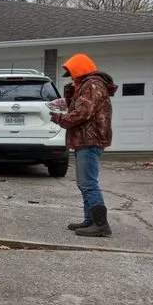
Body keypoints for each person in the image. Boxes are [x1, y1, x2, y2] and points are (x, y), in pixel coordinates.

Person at [50, 53, 118, 237]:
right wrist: (70, 95)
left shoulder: (92, 85)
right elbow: (79, 108)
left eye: (72, 75)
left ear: (79, 71)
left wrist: (60, 119)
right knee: (84, 183)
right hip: (85, 140)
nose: (72, 79)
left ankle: (101, 225)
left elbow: (82, 113)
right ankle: (90, 220)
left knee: (89, 183)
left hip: (90, 140)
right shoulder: (88, 86)